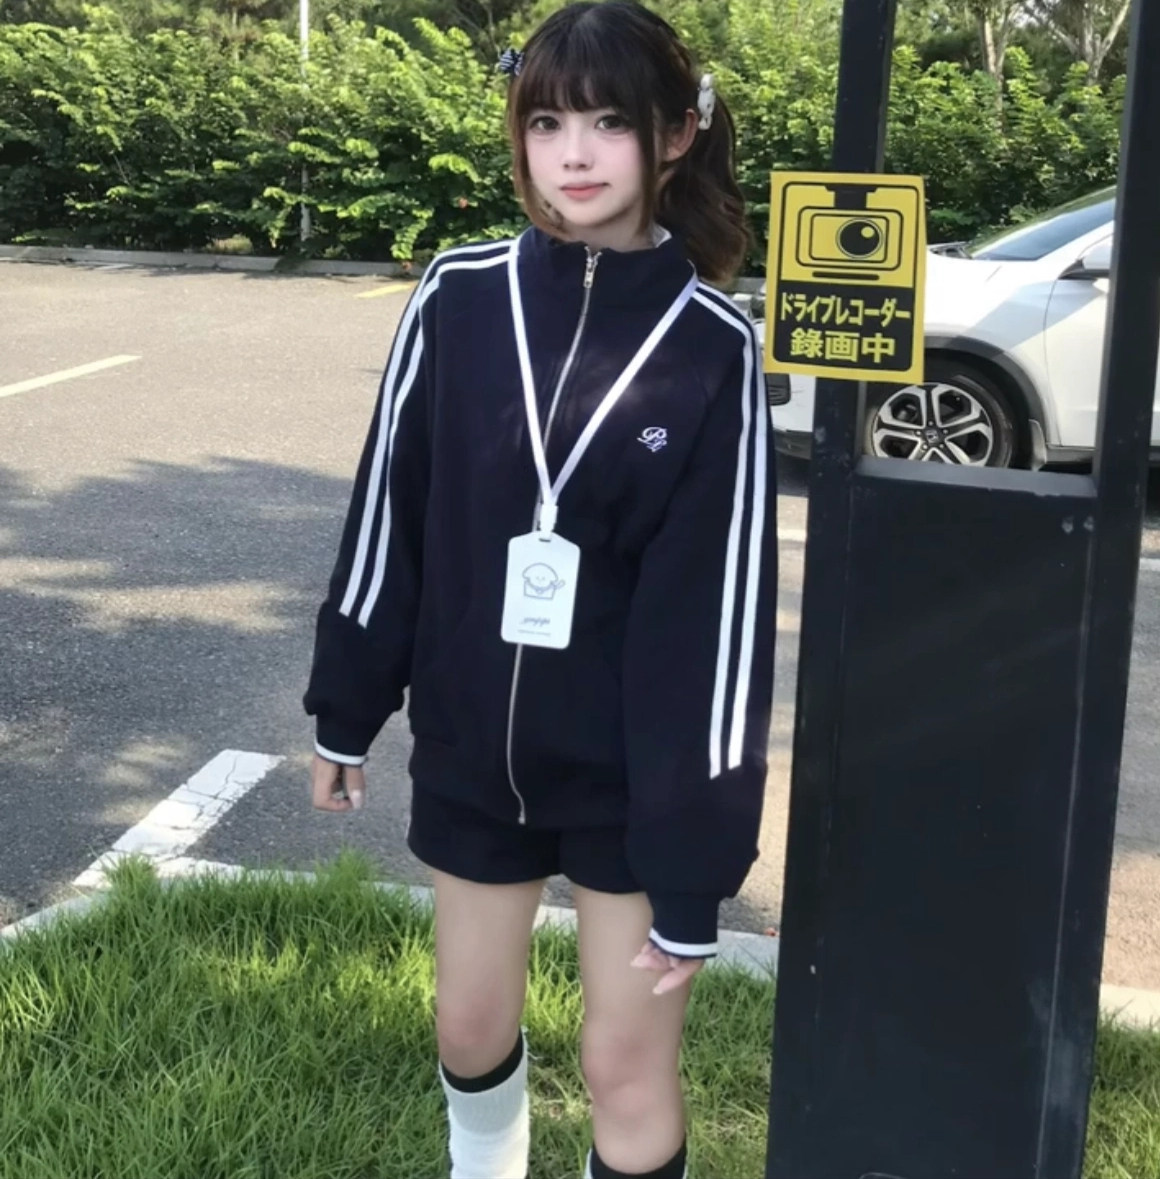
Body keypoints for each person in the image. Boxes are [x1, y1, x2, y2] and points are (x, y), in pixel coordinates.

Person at [303, 2, 777, 1176]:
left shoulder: (714, 347)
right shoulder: (457, 297)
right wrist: (347, 705)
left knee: (625, 1066)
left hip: (631, 789)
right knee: (466, 1026)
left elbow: (717, 624)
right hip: (474, 753)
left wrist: (694, 857)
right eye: (548, 121)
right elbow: (391, 512)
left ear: (676, 135)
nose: (574, 154)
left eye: (610, 123)